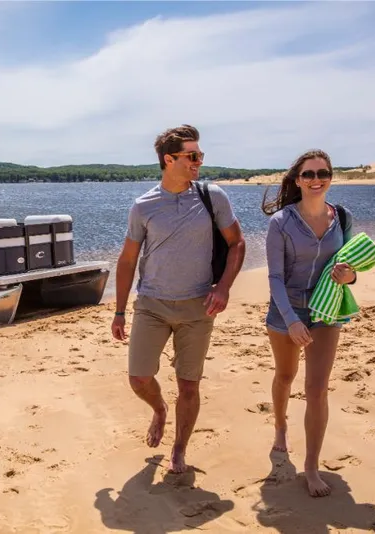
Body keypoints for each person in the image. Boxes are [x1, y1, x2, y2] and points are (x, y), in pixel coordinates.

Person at [111, 125, 246, 473]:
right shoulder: (143, 206)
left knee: (189, 384)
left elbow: (237, 243)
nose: (199, 162)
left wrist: (224, 287)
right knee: (138, 378)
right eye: (193, 156)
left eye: (200, 155)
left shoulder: (212, 197)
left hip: (198, 306)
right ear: (169, 160)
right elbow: (126, 261)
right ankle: (158, 410)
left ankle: (179, 450)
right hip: (152, 304)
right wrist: (120, 312)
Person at [262, 149, 356, 498]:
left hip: (326, 308)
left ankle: (312, 466)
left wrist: (350, 277)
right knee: (285, 376)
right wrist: (291, 321)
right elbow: (273, 278)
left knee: (317, 389)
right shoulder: (281, 223)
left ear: (331, 177)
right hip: (286, 309)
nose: (317, 180)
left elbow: (350, 264)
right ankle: (281, 427)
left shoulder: (342, 217)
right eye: (309, 174)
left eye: (323, 174)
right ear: (297, 180)